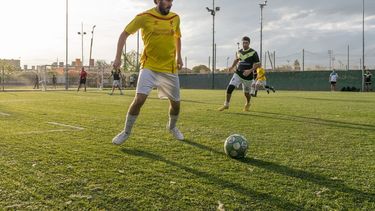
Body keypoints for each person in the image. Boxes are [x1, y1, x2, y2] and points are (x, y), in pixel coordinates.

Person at [112, 0, 184, 145]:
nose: (169, 4)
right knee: (139, 100)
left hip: (169, 69)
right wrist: (117, 57)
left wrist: (179, 56)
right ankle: (126, 132)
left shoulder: (175, 18)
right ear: (157, 0)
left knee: (176, 104)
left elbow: (177, 37)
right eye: (166, 0)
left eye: (171, 1)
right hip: (149, 67)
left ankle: (172, 127)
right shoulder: (144, 17)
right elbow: (124, 34)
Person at [218, 36, 261, 112]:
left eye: (246, 43)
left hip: (248, 77)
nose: (244, 44)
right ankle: (226, 104)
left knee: (246, 94)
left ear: (249, 43)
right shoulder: (239, 51)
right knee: (230, 87)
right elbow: (237, 60)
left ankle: (248, 103)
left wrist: (250, 70)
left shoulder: (254, 52)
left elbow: (258, 64)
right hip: (238, 74)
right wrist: (231, 67)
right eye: (243, 43)